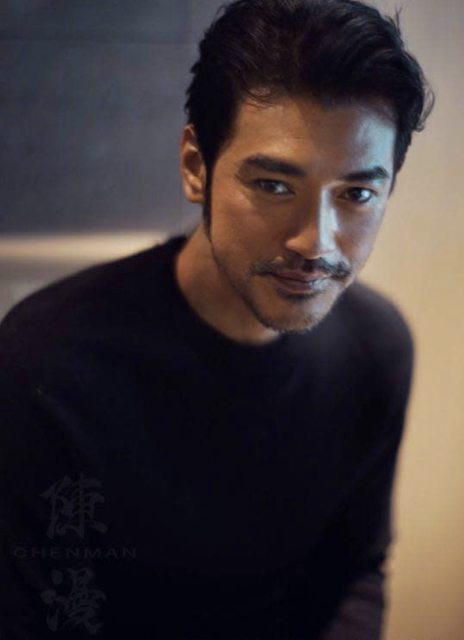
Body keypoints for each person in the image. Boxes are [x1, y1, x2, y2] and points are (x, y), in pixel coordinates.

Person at [0, 0, 434, 638]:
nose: (315, 242)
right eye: (273, 185)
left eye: (357, 194)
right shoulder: (42, 364)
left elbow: (356, 573)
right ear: (195, 166)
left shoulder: (377, 349)